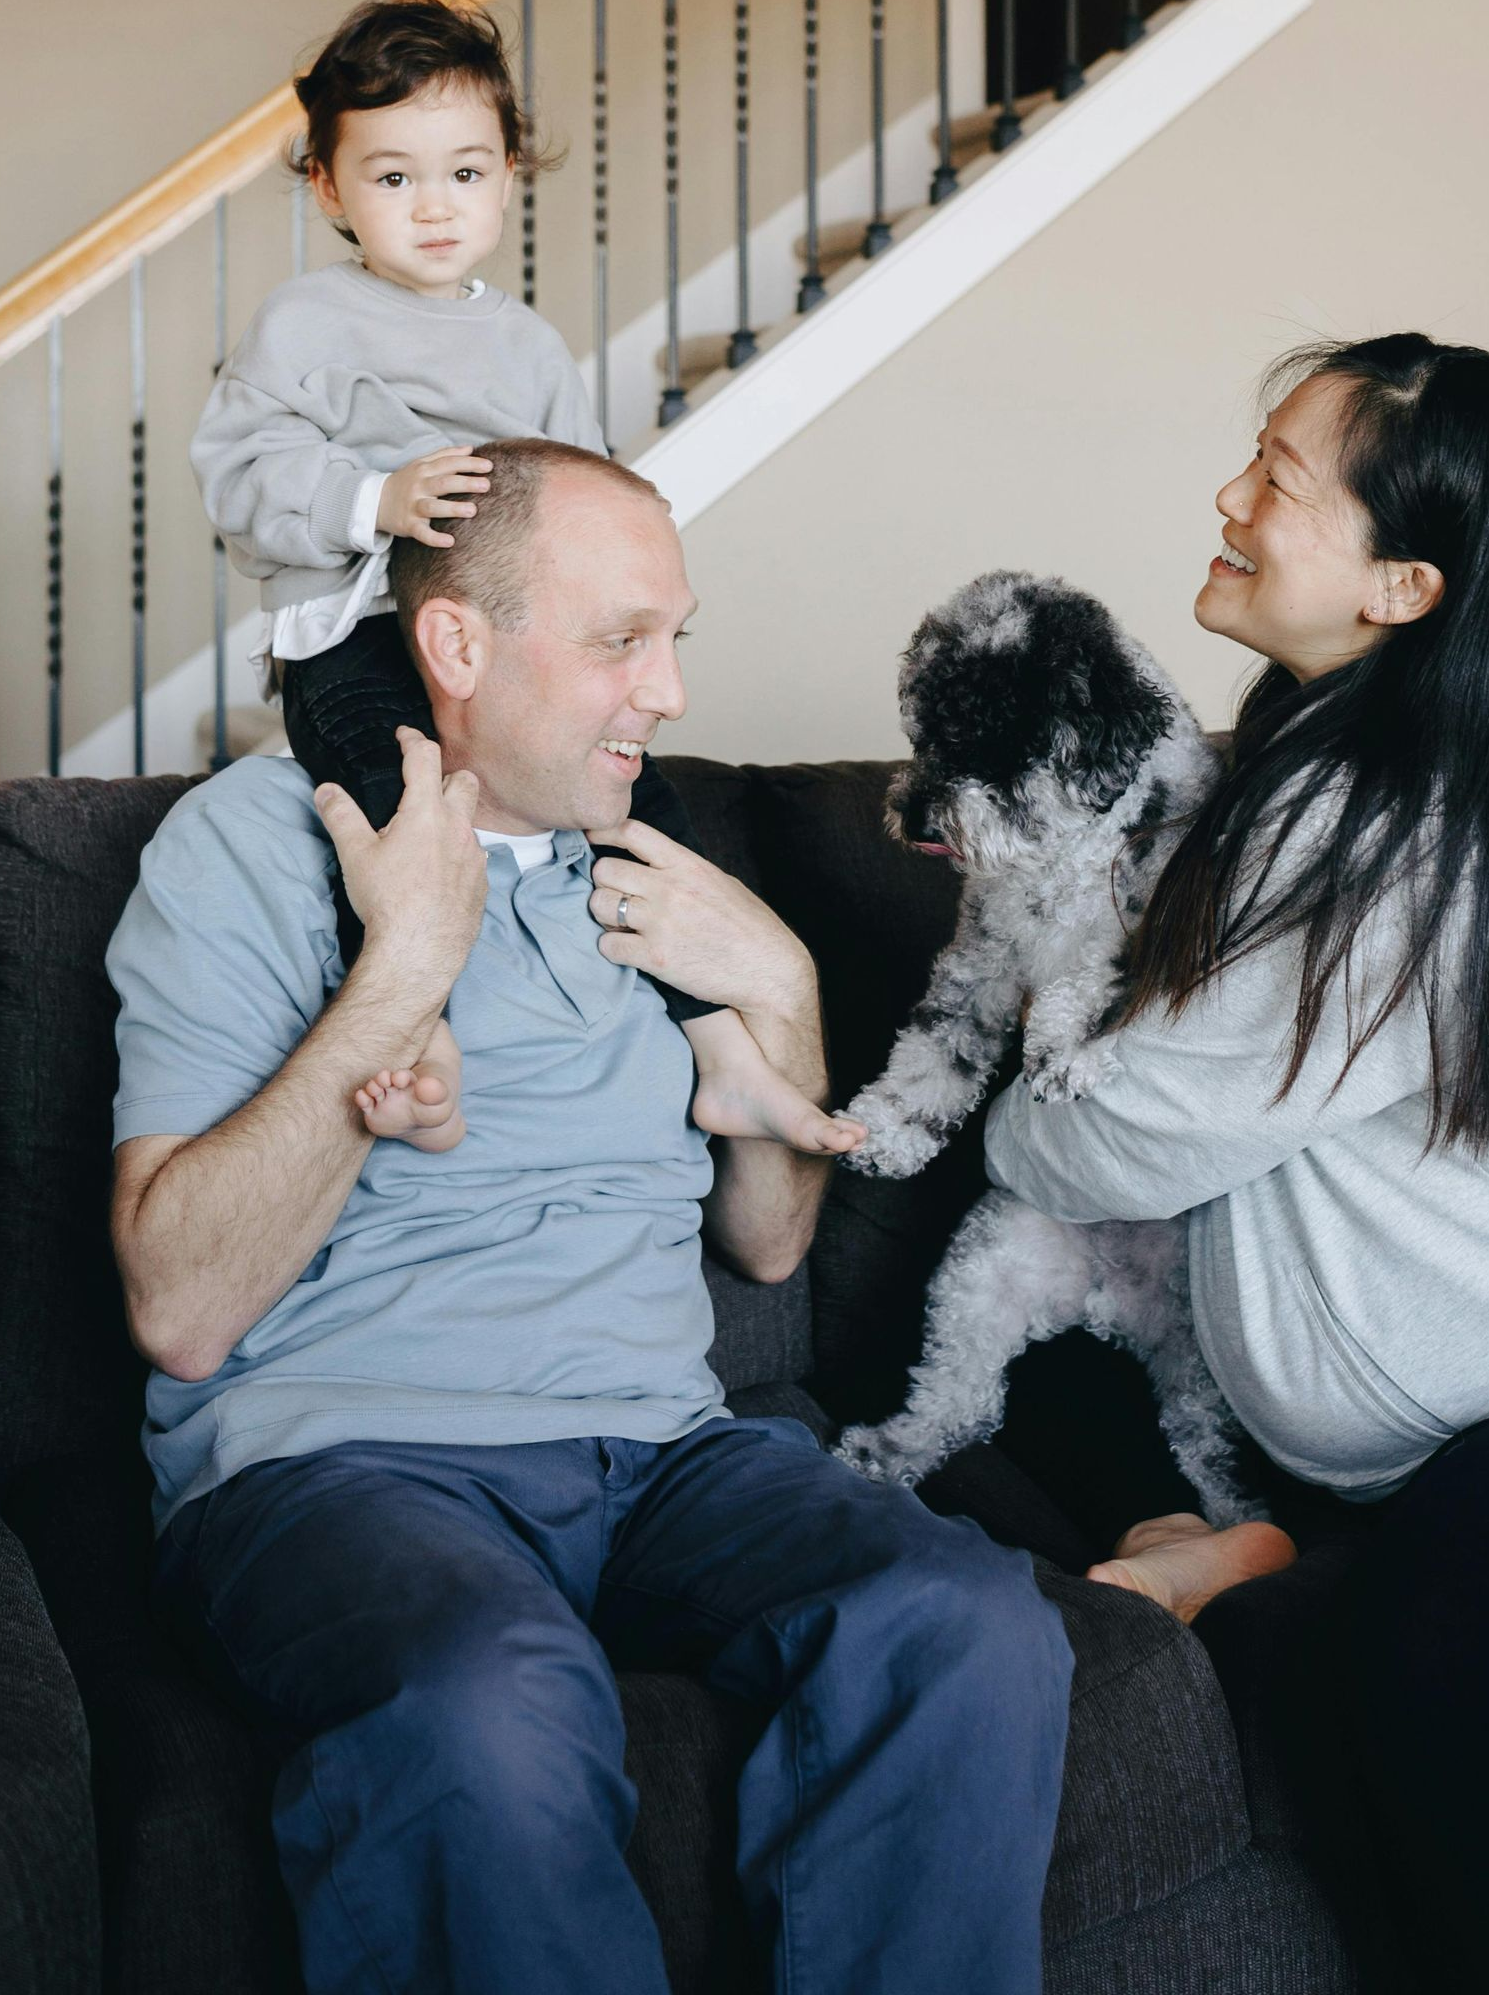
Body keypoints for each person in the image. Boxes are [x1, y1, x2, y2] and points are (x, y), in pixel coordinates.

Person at [106, 437, 1073, 1995]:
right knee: (486, 1695)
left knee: (965, 1616)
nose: (671, 690)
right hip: (348, 1461)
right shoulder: (249, 846)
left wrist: (786, 983)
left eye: (675, 634)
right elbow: (180, 1306)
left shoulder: (647, 871)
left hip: (666, 1450)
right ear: (459, 644)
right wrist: (406, 962)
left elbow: (766, 1240)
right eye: (624, 641)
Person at [984, 333, 1489, 1994]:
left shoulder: (1396, 835)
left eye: (1279, 482)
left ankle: (1260, 1556)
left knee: (1421, 1686)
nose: (1229, 499)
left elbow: (1105, 1139)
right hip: (1436, 1434)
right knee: (1016, 1349)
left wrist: (1028, 1109)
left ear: (1407, 584)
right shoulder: (1318, 757)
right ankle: (1207, 1532)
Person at [190, 0, 850, 1160]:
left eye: (466, 172)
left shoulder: (531, 348)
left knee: (644, 813)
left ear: (508, 176)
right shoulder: (304, 323)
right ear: (330, 190)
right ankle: (420, 1033)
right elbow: (240, 479)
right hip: (354, 642)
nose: (434, 207)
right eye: (392, 179)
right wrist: (371, 501)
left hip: (508, 651)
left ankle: (723, 1058)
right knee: (403, 807)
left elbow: (586, 497)